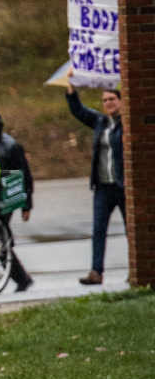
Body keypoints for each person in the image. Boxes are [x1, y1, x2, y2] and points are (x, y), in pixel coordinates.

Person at [66, 74, 124, 286]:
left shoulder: (128, 124)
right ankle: (96, 272)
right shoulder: (100, 121)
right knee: (98, 230)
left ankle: (138, 269)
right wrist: (70, 86)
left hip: (123, 185)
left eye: (112, 99)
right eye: (105, 100)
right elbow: (78, 111)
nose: (108, 103)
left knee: (132, 228)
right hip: (102, 186)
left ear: (121, 101)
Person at [0, 106, 35, 292]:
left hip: (5, 198)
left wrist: (27, 204)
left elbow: (24, 175)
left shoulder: (11, 146)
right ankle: (21, 278)